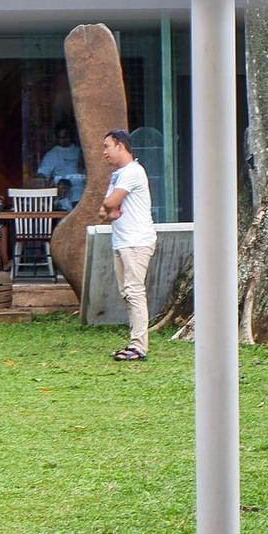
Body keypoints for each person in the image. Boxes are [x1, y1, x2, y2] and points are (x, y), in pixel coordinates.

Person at [100, 129, 157, 362]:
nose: (104, 152)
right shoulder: (117, 175)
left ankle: (139, 346)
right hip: (122, 241)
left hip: (136, 241)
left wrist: (110, 207)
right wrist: (109, 208)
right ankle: (134, 342)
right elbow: (104, 212)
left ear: (120, 146)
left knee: (134, 291)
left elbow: (110, 203)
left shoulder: (133, 171)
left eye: (107, 146)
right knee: (127, 293)